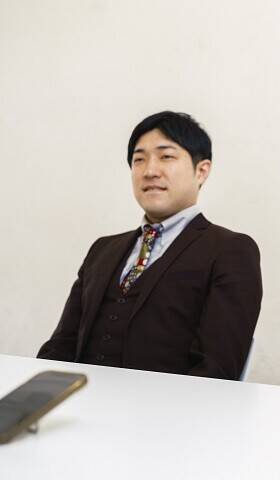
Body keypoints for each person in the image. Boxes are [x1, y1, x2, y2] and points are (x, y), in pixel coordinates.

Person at [38, 111, 262, 379]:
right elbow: (62, 345)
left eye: (166, 156)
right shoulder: (102, 250)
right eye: (139, 160)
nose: (150, 171)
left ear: (201, 171)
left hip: (167, 405)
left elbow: (217, 370)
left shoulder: (230, 250)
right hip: (82, 399)